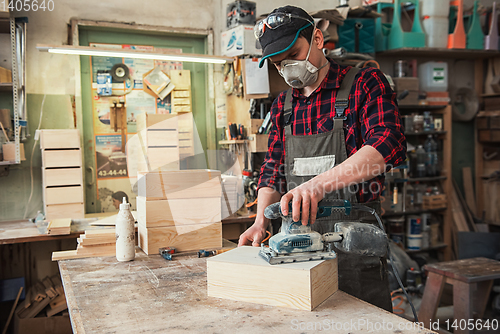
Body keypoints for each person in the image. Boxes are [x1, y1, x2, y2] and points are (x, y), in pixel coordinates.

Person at [238, 5, 407, 312]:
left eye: (293, 55)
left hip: (355, 249)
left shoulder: (364, 84)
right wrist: (261, 221)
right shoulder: (283, 106)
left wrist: (316, 187)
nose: (287, 67)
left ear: (317, 39)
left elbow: (388, 144)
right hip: (296, 258)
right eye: (278, 63)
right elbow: (272, 171)